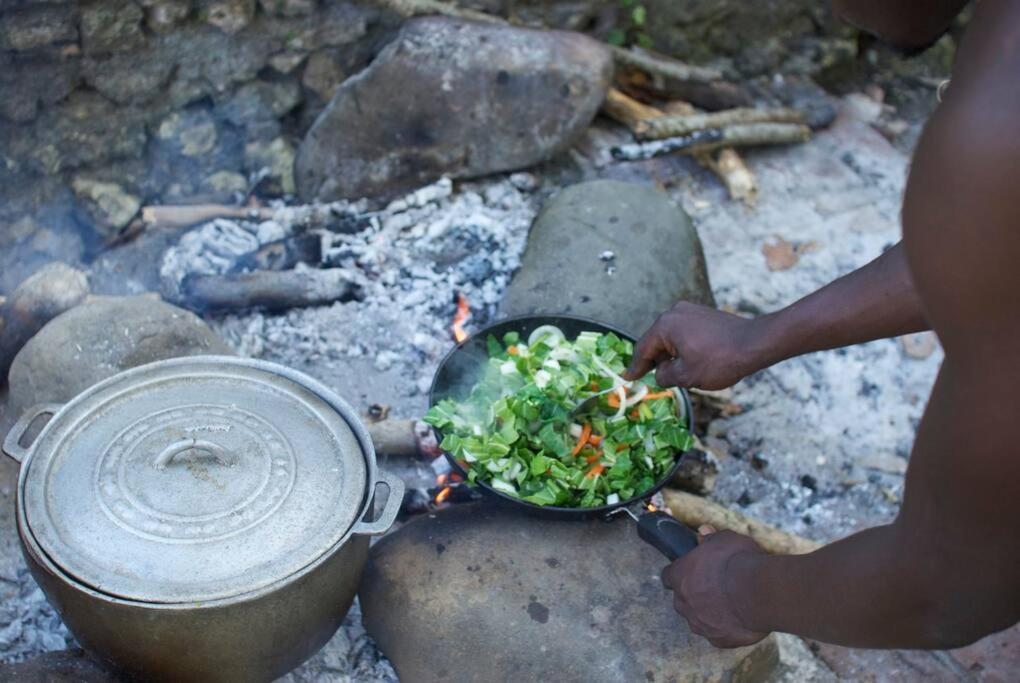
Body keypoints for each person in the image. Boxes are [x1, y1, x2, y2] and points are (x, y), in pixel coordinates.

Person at [623, 0, 1020, 649]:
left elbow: (948, 586)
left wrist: (740, 587)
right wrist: (759, 336)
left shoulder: (996, 133)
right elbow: (993, 254)